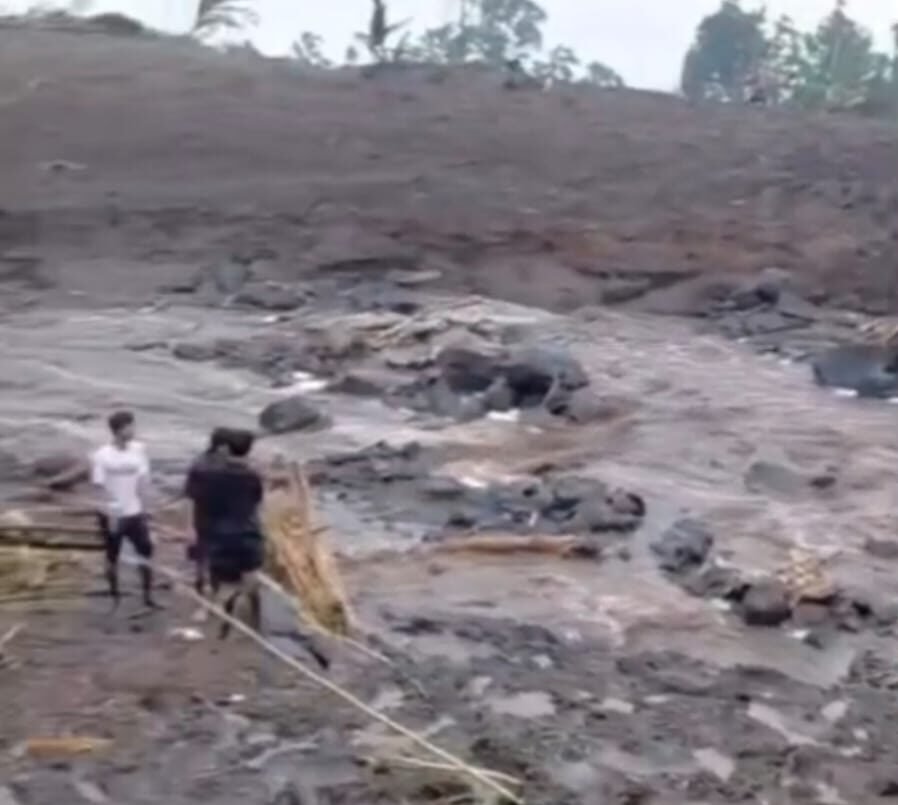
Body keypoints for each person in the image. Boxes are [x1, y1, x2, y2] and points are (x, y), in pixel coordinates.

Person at [187, 428, 266, 637]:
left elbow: (198, 499)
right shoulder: (252, 476)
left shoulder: (208, 474)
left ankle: (223, 618)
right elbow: (257, 500)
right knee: (251, 579)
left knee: (221, 578)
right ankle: (254, 622)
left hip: (219, 534)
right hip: (247, 534)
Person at [90, 410, 157, 609]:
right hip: (113, 513)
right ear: (118, 430)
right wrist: (110, 511)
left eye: (133, 425)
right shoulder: (103, 455)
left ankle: (148, 596)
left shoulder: (139, 450)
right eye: (129, 427)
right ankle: (114, 595)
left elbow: (144, 481)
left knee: (146, 552)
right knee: (113, 555)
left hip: (135, 511)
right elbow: (99, 485)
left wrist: (147, 507)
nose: (133, 430)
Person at [184, 427, 232, 600]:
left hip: (222, 518)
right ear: (220, 446)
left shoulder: (228, 464)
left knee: (217, 562)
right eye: (228, 446)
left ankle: (214, 597)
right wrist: (189, 526)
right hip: (203, 518)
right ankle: (202, 599)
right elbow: (190, 497)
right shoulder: (201, 466)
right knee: (201, 563)